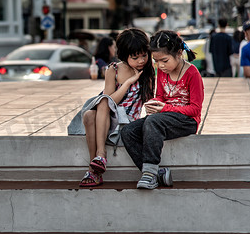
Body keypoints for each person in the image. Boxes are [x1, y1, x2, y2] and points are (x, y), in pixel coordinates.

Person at [67, 28, 155, 187]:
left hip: (127, 122)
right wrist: (128, 83)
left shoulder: (148, 72)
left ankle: (97, 163)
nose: (141, 60)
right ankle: (98, 162)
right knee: (90, 114)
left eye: (144, 55)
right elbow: (110, 101)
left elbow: (151, 101)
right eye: (135, 57)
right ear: (124, 55)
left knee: (101, 103)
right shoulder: (113, 69)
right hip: (108, 119)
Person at [121, 30, 204, 190]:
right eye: (156, 61)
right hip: (163, 118)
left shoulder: (192, 74)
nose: (160, 66)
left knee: (153, 121)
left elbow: (195, 109)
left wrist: (165, 108)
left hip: (187, 121)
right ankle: (158, 174)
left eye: (164, 60)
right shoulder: (163, 72)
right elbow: (160, 96)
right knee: (128, 132)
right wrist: (154, 103)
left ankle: (150, 174)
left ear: (179, 53)